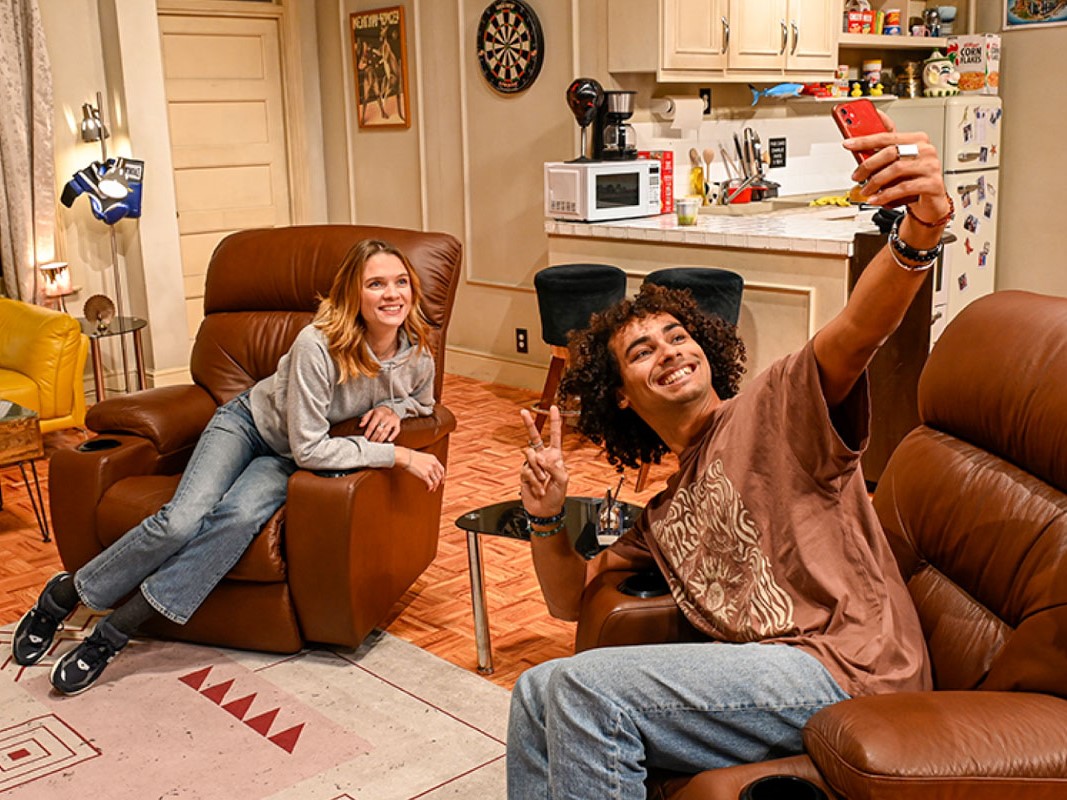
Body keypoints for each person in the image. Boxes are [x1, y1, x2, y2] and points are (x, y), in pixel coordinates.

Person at [508, 114, 952, 798]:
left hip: (847, 666)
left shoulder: (777, 405)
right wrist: (544, 516)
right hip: (767, 683)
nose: (670, 351)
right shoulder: (664, 517)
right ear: (619, 396)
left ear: (706, 348)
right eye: (642, 351)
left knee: (585, 693)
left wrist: (920, 232)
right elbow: (570, 599)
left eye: (677, 335)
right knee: (537, 690)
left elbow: (861, 329)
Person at [12, 239, 446, 694]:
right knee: (180, 522)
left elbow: (422, 402)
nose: (392, 294)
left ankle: (113, 633)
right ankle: (61, 597)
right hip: (248, 425)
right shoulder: (317, 344)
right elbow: (312, 450)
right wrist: (399, 455)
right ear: (353, 294)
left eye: (400, 282)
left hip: (285, 456)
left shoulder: (417, 353)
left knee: (236, 521)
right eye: (376, 284)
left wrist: (395, 409)